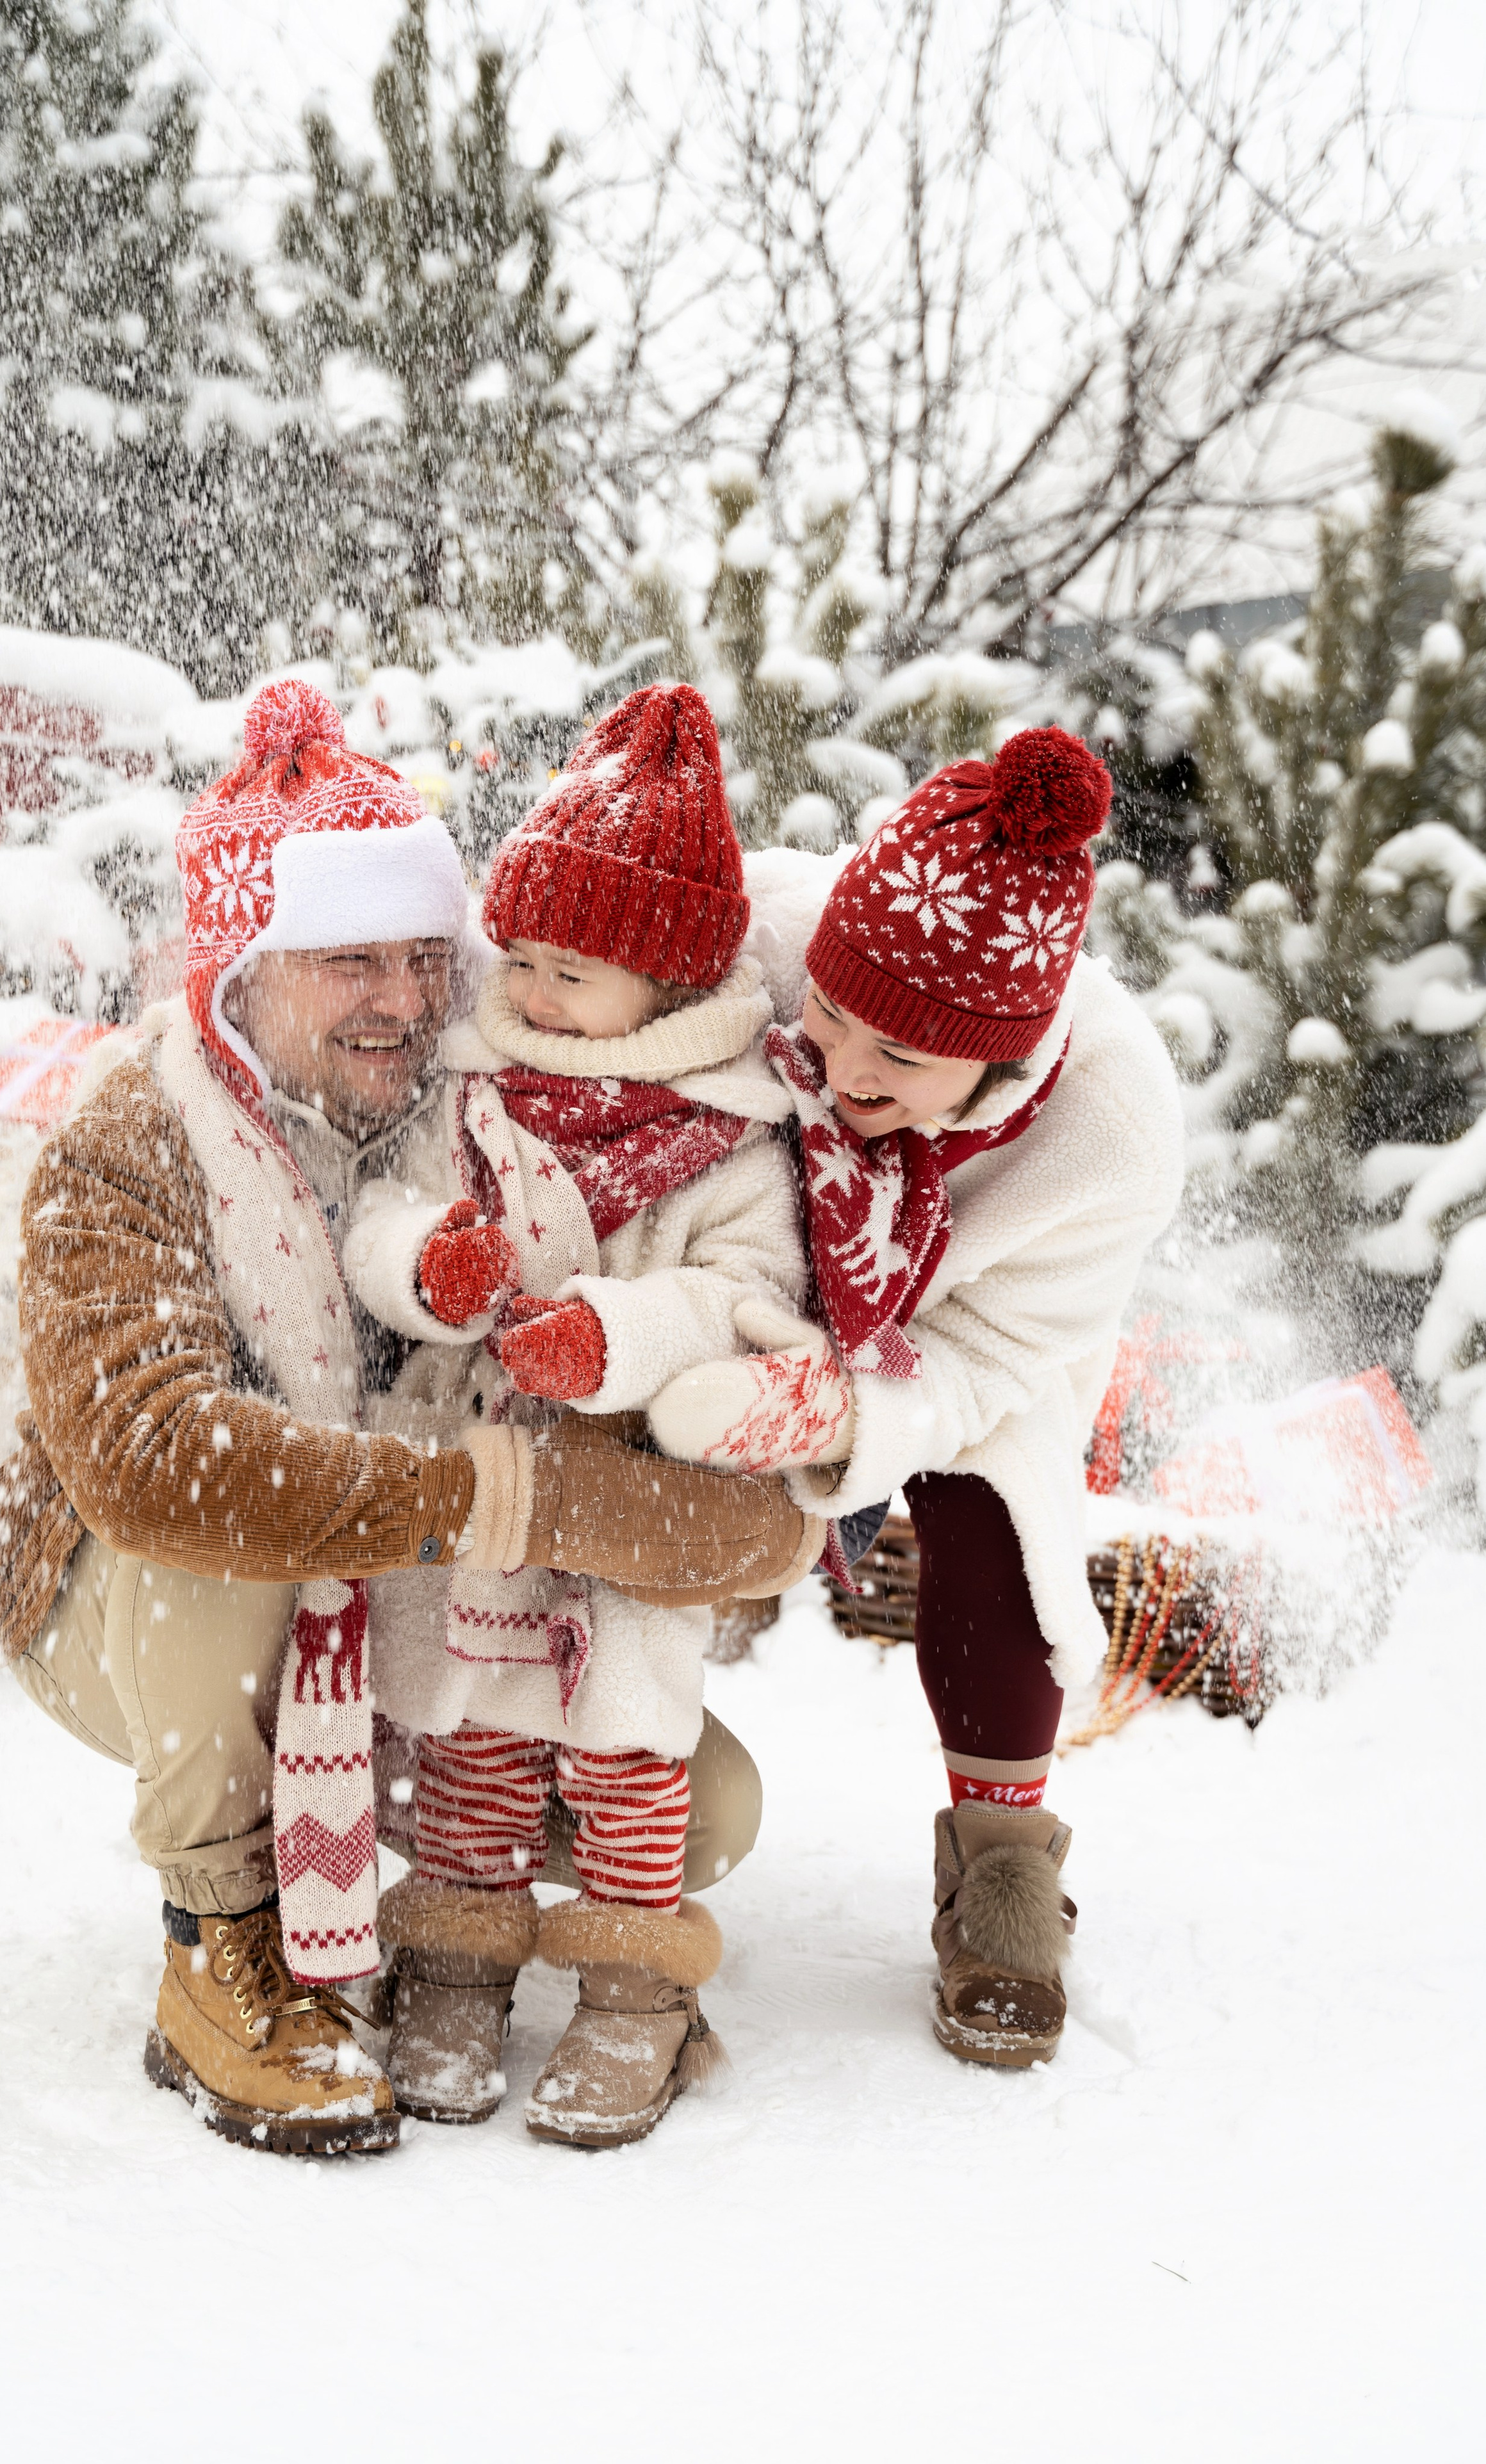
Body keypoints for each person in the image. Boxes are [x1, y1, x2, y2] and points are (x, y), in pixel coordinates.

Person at [0, 679, 821, 2158]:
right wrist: (470, 1490)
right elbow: (147, 1461)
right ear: (240, 971)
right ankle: (217, 1934)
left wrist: (559, 1492)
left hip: (415, 1615)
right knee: (210, 1523)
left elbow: (758, 1527)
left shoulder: (489, 1126)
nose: (405, 1000)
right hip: (121, 1612)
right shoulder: (137, 1136)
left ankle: (418, 1868)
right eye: (350, 958)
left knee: (707, 1809)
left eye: (426, 956)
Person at [649, 727, 1185, 2068]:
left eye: (901, 1057)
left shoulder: (1108, 1131)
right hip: (746, 1266)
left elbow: (1001, 1364)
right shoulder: (770, 924)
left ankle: (1000, 1870)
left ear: (1000, 1067)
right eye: (828, 1019)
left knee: (994, 1522)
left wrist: (841, 1417)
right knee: (636, 1487)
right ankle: (596, 1791)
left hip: (962, 1347)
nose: (841, 1070)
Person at [343, 683, 805, 2148]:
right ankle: (459, 1951)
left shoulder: (724, 1137)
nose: (535, 994)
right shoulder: (472, 1093)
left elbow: (746, 1295)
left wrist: (607, 1332)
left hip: (625, 1490)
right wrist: (430, 1261)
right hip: (481, 1477)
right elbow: (379, 1208)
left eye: (578, 974)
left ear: (666, 991)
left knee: (625, 1741)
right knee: (472, 1725)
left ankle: (630, 1982)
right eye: (524, 956)